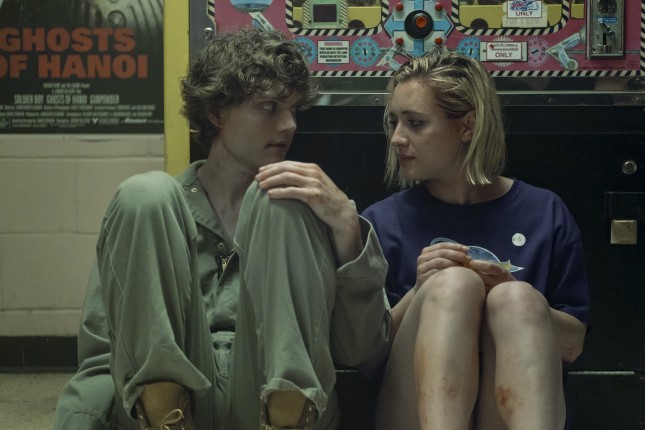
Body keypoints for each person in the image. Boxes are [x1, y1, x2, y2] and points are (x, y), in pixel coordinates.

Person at [54, 27, 391, 430]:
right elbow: (102, 354)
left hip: (276, 401)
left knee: (280, 199)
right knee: (143, 191)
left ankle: (287, 415)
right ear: (217, 114)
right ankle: (164, 414)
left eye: (293, 110)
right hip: (169, 407)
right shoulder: (153, 215)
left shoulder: (307, 211)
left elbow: (359, 351)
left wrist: (347, 228)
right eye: (268, 107)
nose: (289, 125)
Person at [361, 49, 590, 430]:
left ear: (467, 126)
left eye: (415, 123)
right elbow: (366, 363)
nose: (397, 138)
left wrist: (517, 301)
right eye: (393, 122)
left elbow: (573, 346)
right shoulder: (382, 222)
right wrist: (420, 292)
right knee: (453, 286)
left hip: (512, 410)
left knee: (515, 298)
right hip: (412, 413)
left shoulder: (543, 212)